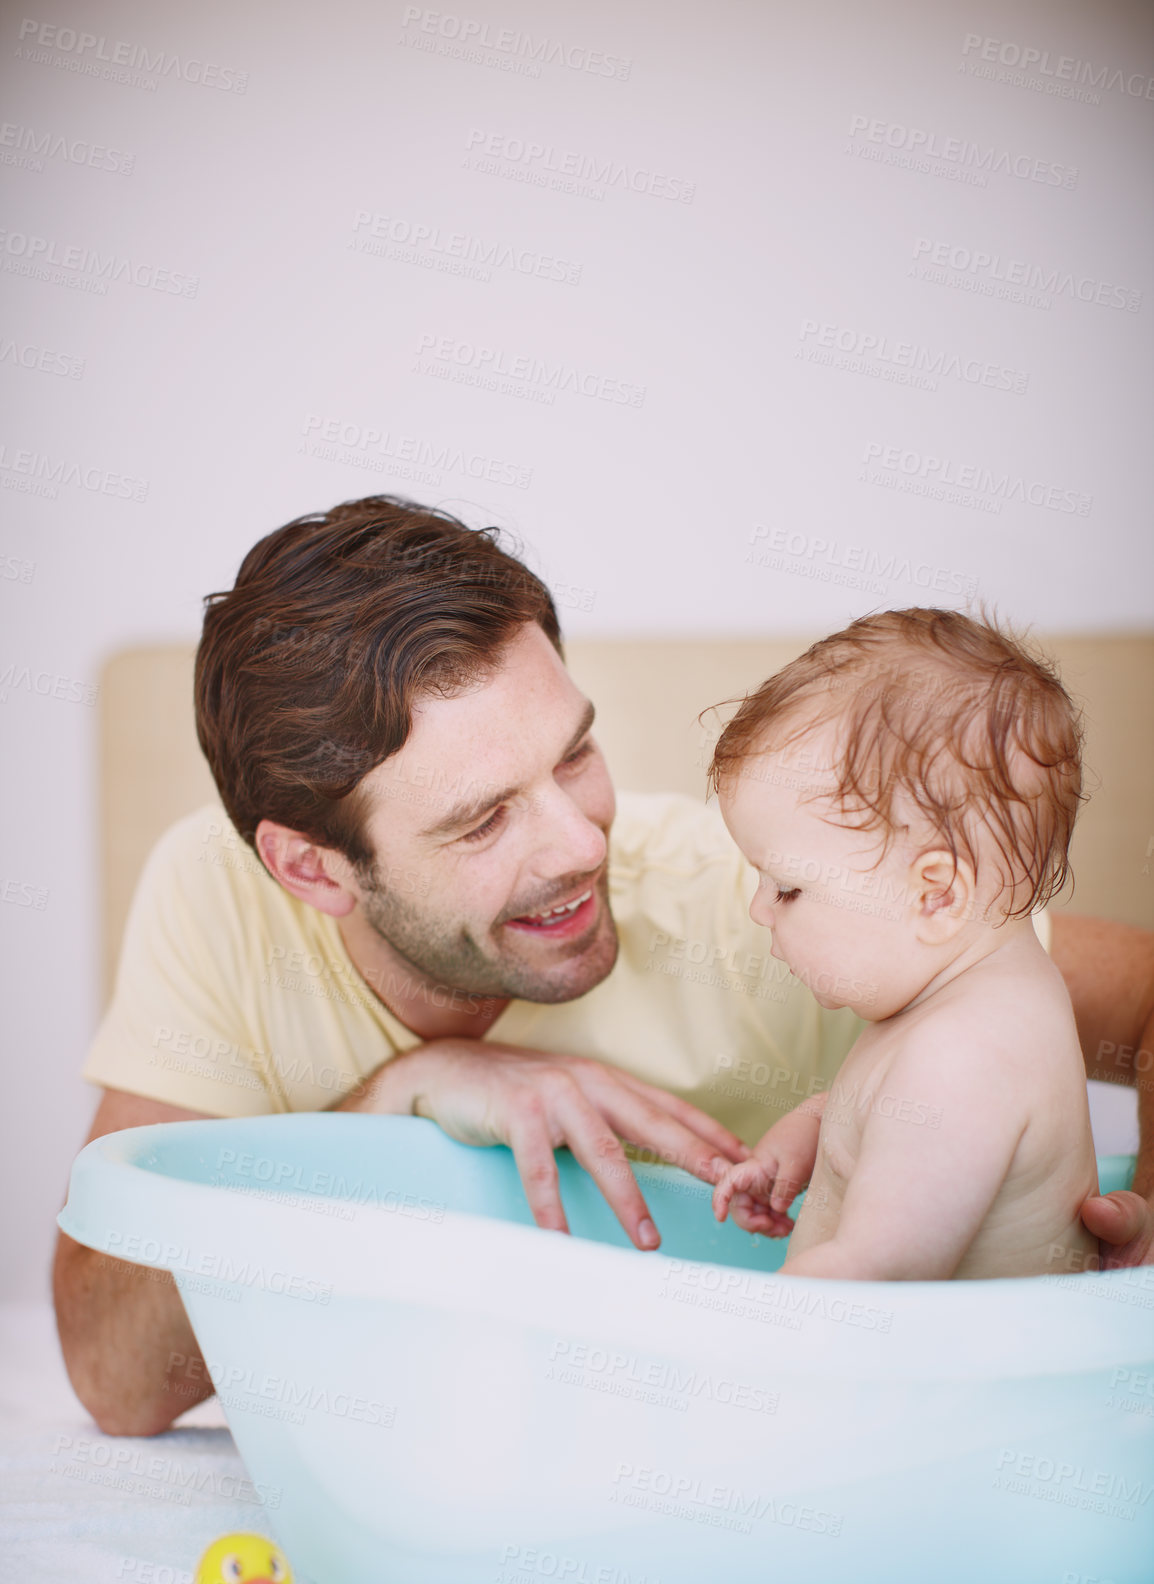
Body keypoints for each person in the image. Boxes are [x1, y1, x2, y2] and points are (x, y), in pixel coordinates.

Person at [53, 497, 1154, 1433]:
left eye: (573, 752)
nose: (585, 846)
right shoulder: (222, 898)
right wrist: (390, 1099)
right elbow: (113, 1379)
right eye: (483, 818)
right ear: (312, 868)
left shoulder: (785, 905)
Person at [710, 609, 1099, 1278]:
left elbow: (878, 1273)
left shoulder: (967, 1053)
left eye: (788, 889)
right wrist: (815, 1131)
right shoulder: (958, 1003)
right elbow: (902, 1123)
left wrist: (729, 1333)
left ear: (936, 894)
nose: (758, 911)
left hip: (957, 1382)